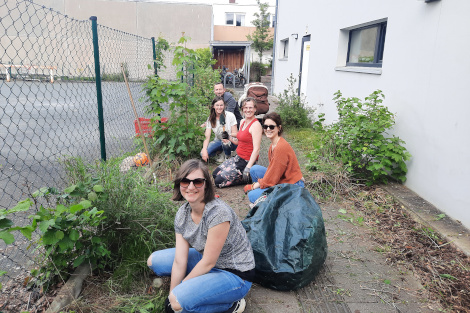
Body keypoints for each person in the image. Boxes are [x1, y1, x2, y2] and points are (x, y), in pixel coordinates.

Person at [147, 159, 255, 313]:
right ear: (179, 184)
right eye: (185, 181)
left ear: (206, 185)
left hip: (234, 273)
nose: (191, 187)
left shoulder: (218, 213)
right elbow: (179, 260)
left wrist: (180, 291)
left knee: (178, 304)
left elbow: (208, 263)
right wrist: (172, 293)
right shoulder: (182, 214)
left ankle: (231, 304)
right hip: (207, 260)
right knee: (154, 262)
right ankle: (195, 292)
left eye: (197, 182)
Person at [243, 112, 304, 203]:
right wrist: (261, 184)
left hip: (291, 185)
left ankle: (266, 201)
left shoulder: (280, 148)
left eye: (271, 127)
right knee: (254, 169)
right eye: (265, 126)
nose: (268, 129)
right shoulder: (273, 145)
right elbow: (273, 171)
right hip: (283, 179)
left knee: (252, 195)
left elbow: (273, 177)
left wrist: (255, 186)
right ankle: (266, 196)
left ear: (279, 128)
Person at [212, 98, 262, 188]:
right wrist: (229, 137)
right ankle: (240, 175)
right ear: (242, 109)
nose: (248, 110)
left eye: (250, 107)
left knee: (218, 182)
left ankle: (249, 176)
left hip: (247, 161)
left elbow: (256, 149)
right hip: (238, 158)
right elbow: (239, 142)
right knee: (215, 174)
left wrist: (248, 167)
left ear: (255, 109)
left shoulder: (256, 125)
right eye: (245, 107)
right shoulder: (243, 122)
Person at [201, 97, 238, 163]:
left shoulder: (230, 115)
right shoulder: (210, 119)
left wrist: (228, 136)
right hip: (218, 140)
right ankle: (220, 153)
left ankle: (228, 156)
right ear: (213, 106)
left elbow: (236, 133)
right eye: (217, 105)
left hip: (231, 141)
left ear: (224, 106)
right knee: (203, 153)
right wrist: (204, 150)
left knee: (225, 143)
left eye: (221, 105)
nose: (219, 107)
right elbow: (207, 137)